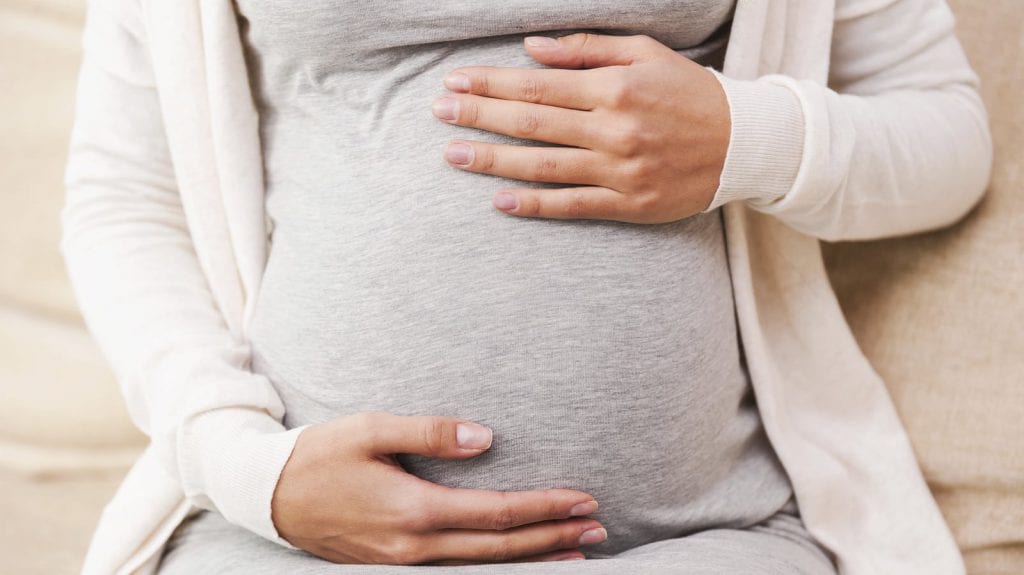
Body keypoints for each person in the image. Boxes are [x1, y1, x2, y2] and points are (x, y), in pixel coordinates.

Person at [61, 0, 991, 574]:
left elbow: (949, 135)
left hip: (699, 544)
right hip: (290, 546)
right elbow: (123, 198)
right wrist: (246, 470)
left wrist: (744, 138)